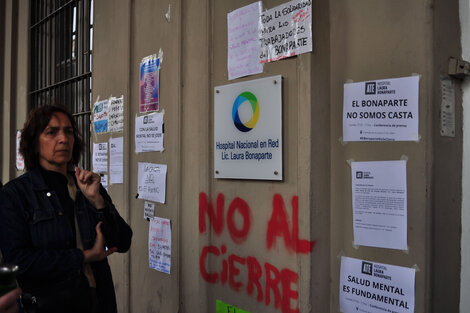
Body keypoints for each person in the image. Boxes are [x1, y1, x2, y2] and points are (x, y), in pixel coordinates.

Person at [0, 105, 132, 313]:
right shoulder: (15, 195)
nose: (63, 139)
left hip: (98, 302)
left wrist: (97, 201)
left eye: (68, 131)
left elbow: (123, 241)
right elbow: (19, 264)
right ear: (34, 143)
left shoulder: (87, 186)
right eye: (51, 132)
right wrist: (84, 256)